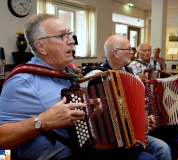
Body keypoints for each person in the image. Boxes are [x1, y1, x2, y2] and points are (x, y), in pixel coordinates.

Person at [0, 14, 154, 160]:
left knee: (147, 153)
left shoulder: (72, 72)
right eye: (62, 36)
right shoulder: (22, 81)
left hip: (90, 150)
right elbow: (2, 141)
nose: (71, 40)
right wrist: (43, 121)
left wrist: (96, 110)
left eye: (69, 34)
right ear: (41, 46)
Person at [128, 42, 178, 159]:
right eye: (144, 50)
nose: (147, 52)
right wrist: (137, 79)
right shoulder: (132, 65)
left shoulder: (156, 64)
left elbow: (160, 82)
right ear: (138, 53)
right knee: (163, 147)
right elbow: (129, 87)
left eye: (149, 50)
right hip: (142, 107)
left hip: (158, 106)